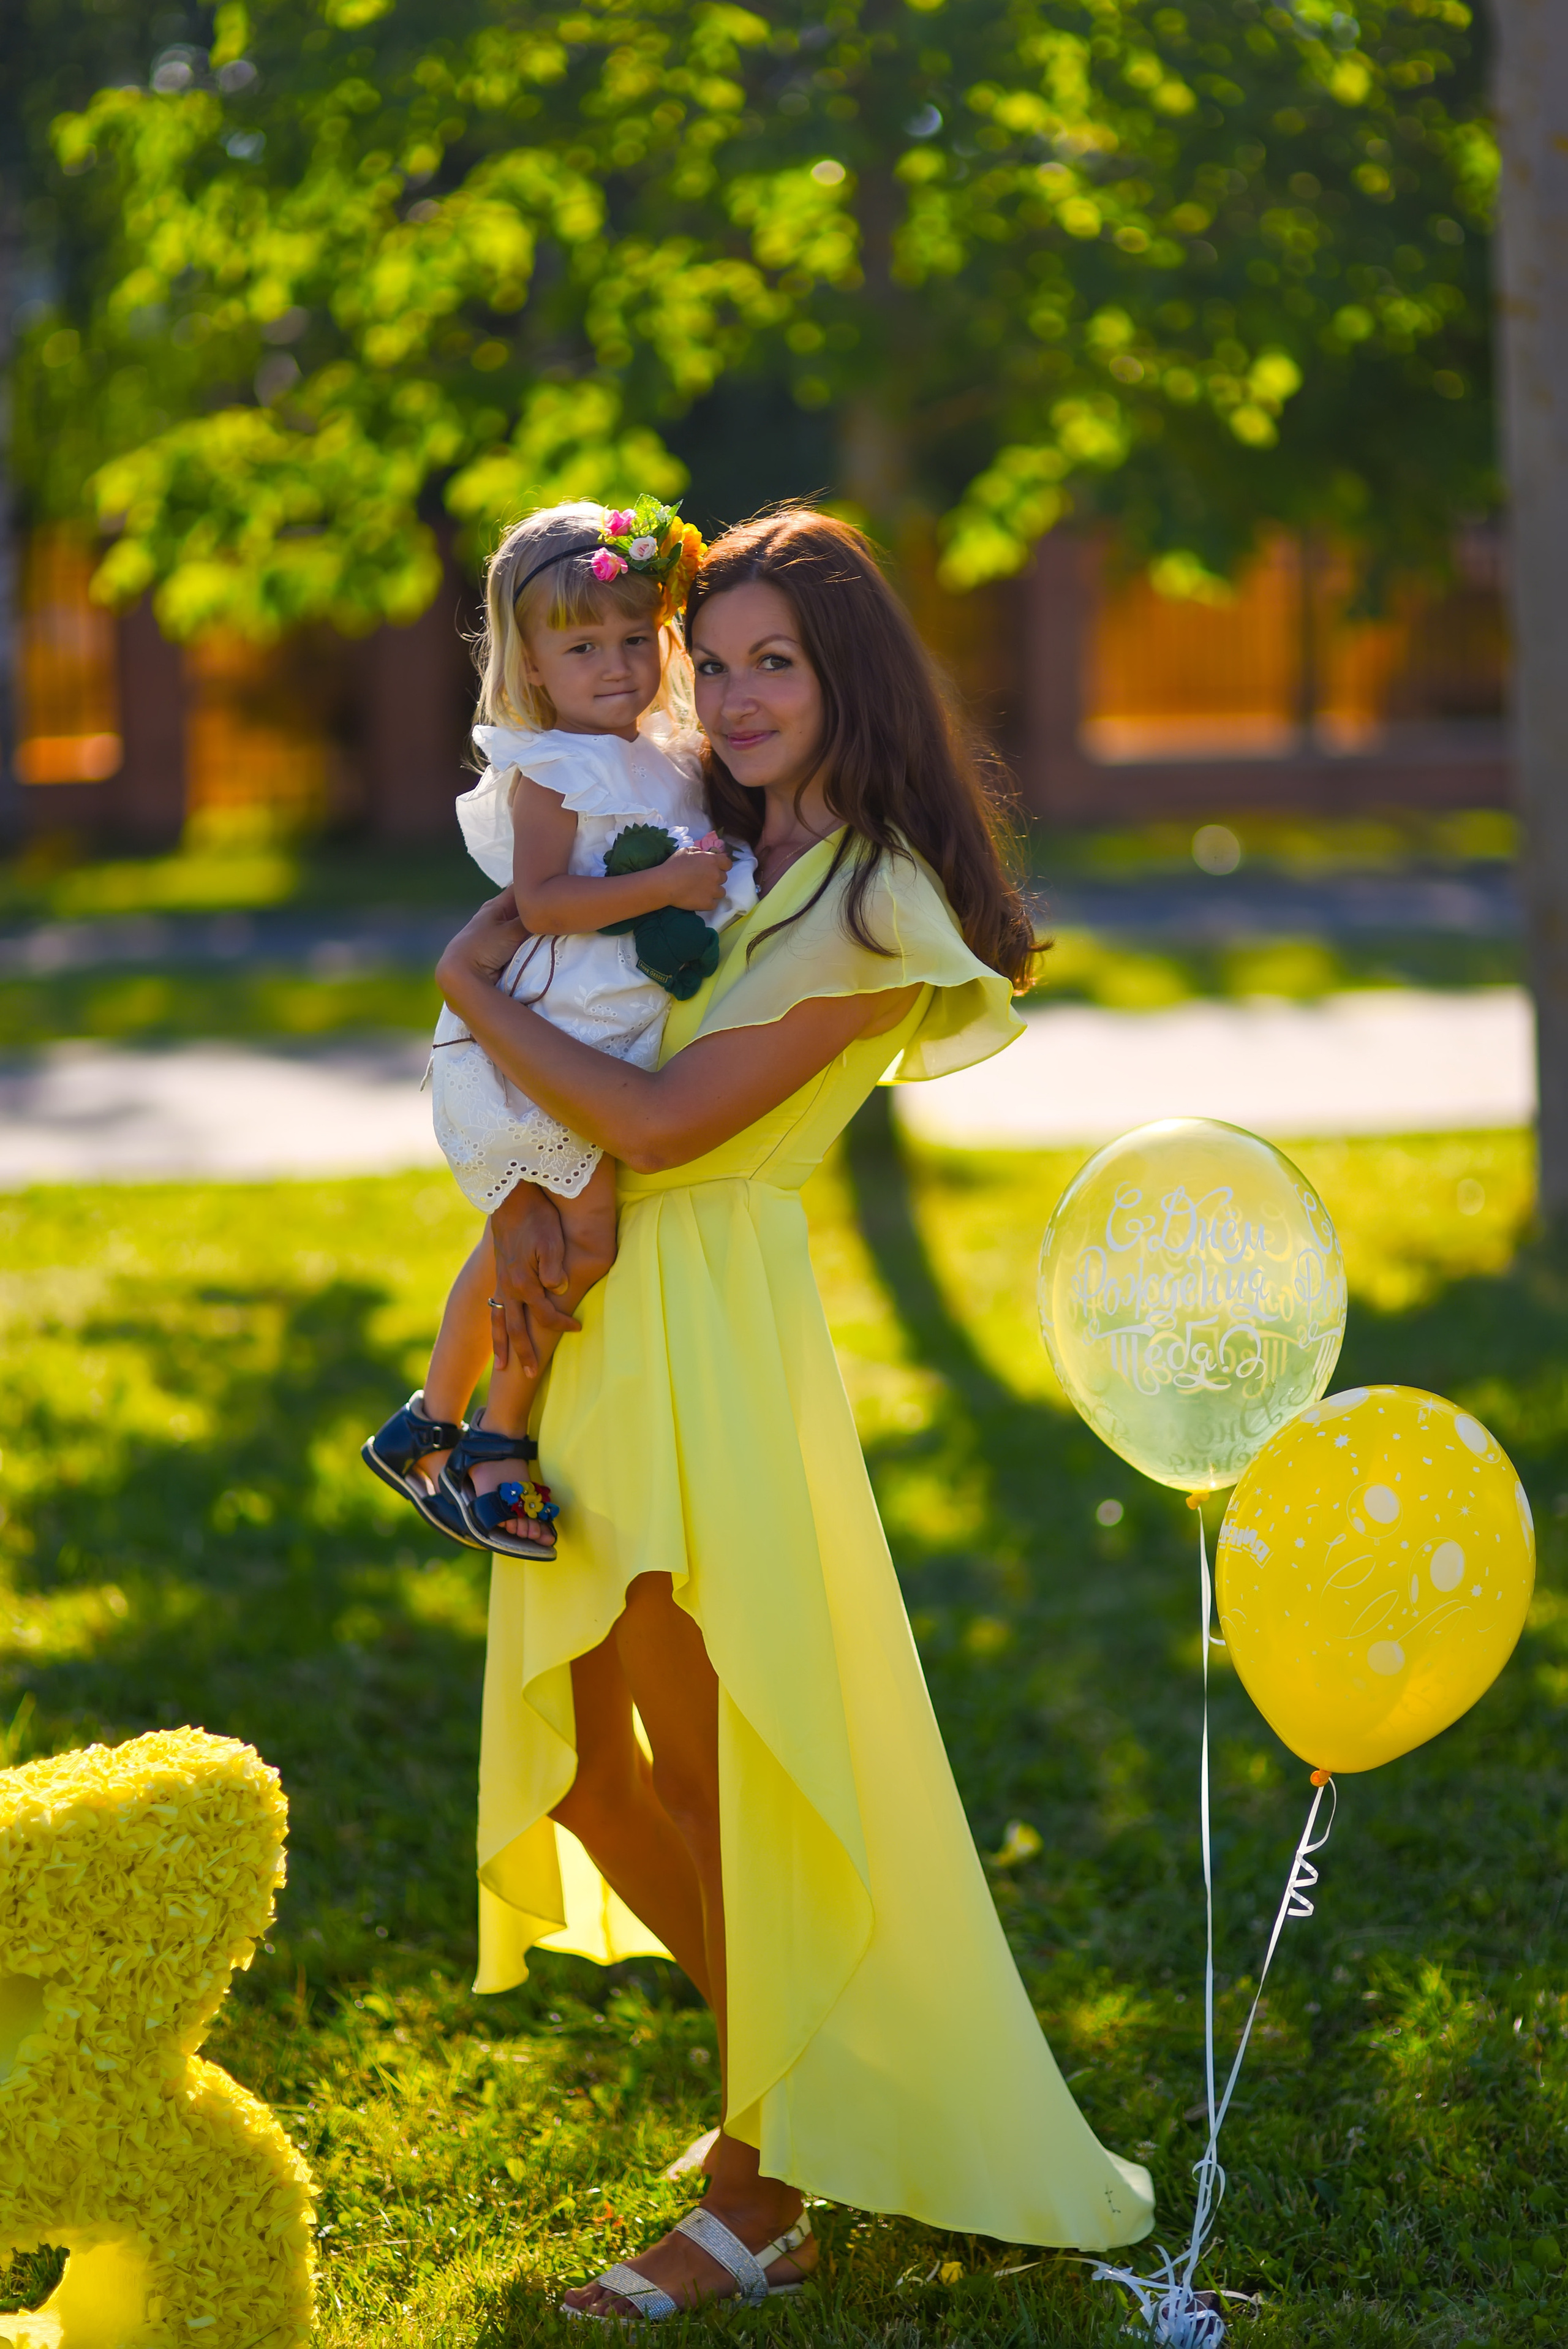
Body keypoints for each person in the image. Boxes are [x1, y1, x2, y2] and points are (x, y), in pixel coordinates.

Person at [433, 507, 1156, 2319]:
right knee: (596, 1771)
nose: (739, 695)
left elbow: (669, 1126)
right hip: (604, 1320)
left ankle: (762, 2186)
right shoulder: (706, 844)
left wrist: (462, 981)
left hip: (714, 1331)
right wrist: (528, 1192)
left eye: (781, 662)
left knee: (717, 1759)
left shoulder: (877, 899)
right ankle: (810, 2075)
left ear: (852, 681)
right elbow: (584, 1050)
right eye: (721, 658)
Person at [361, 497, 755, 1556]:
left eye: (637, 640)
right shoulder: (554, 767)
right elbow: (542, 902)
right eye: (584, 647)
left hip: (604, 1046)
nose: (616, 665)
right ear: (534, 664)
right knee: (567, 1234)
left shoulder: (669, 751)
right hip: (541, 1037)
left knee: (524, 1233)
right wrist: (673, 879)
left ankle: (433, 1421)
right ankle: (494, 1432)